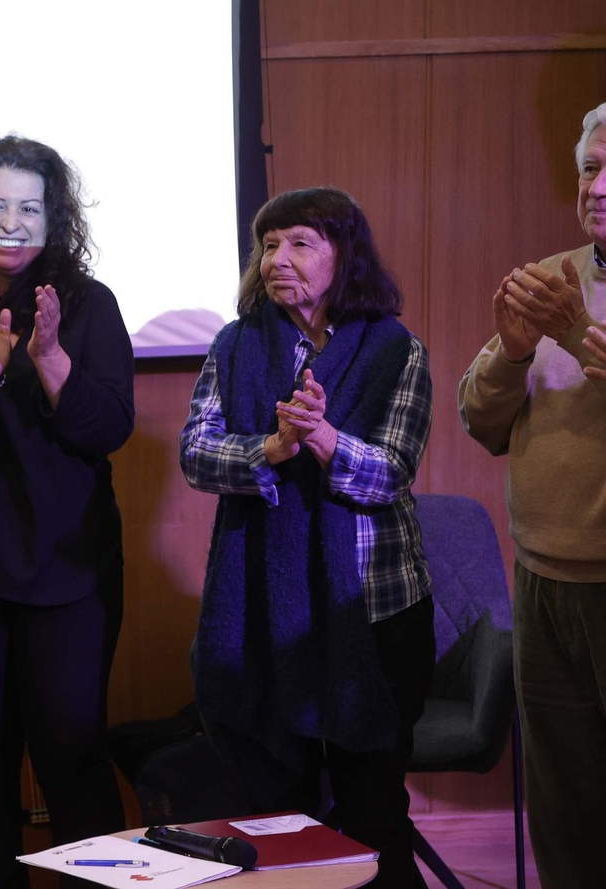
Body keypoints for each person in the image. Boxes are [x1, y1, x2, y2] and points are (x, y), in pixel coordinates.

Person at [181, 187, 433, 888]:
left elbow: (390, 472)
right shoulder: (235, 346)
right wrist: (273, 445)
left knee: (371, 811)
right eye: (268, 244)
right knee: (282, 819)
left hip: (376, 616)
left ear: (343, 255)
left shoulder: (395, 348)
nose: (277, 259)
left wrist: (323, 438)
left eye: (299, 243)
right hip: (267, 618)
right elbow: (196, 453)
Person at [0, 135, 134, 887]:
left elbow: (109, 428)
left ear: (53, 220)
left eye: (30, 207)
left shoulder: (86, 303)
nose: (11, 221)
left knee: (74, 753)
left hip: (71, 571)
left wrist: (50, 364)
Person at [458, 100, 606, 889]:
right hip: (543, 586)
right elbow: (477, 418)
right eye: (590, 168)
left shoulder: (568, 303)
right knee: (564, 809)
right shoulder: (553, 278)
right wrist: (512, 356)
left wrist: (578, 331)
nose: (600, 186)